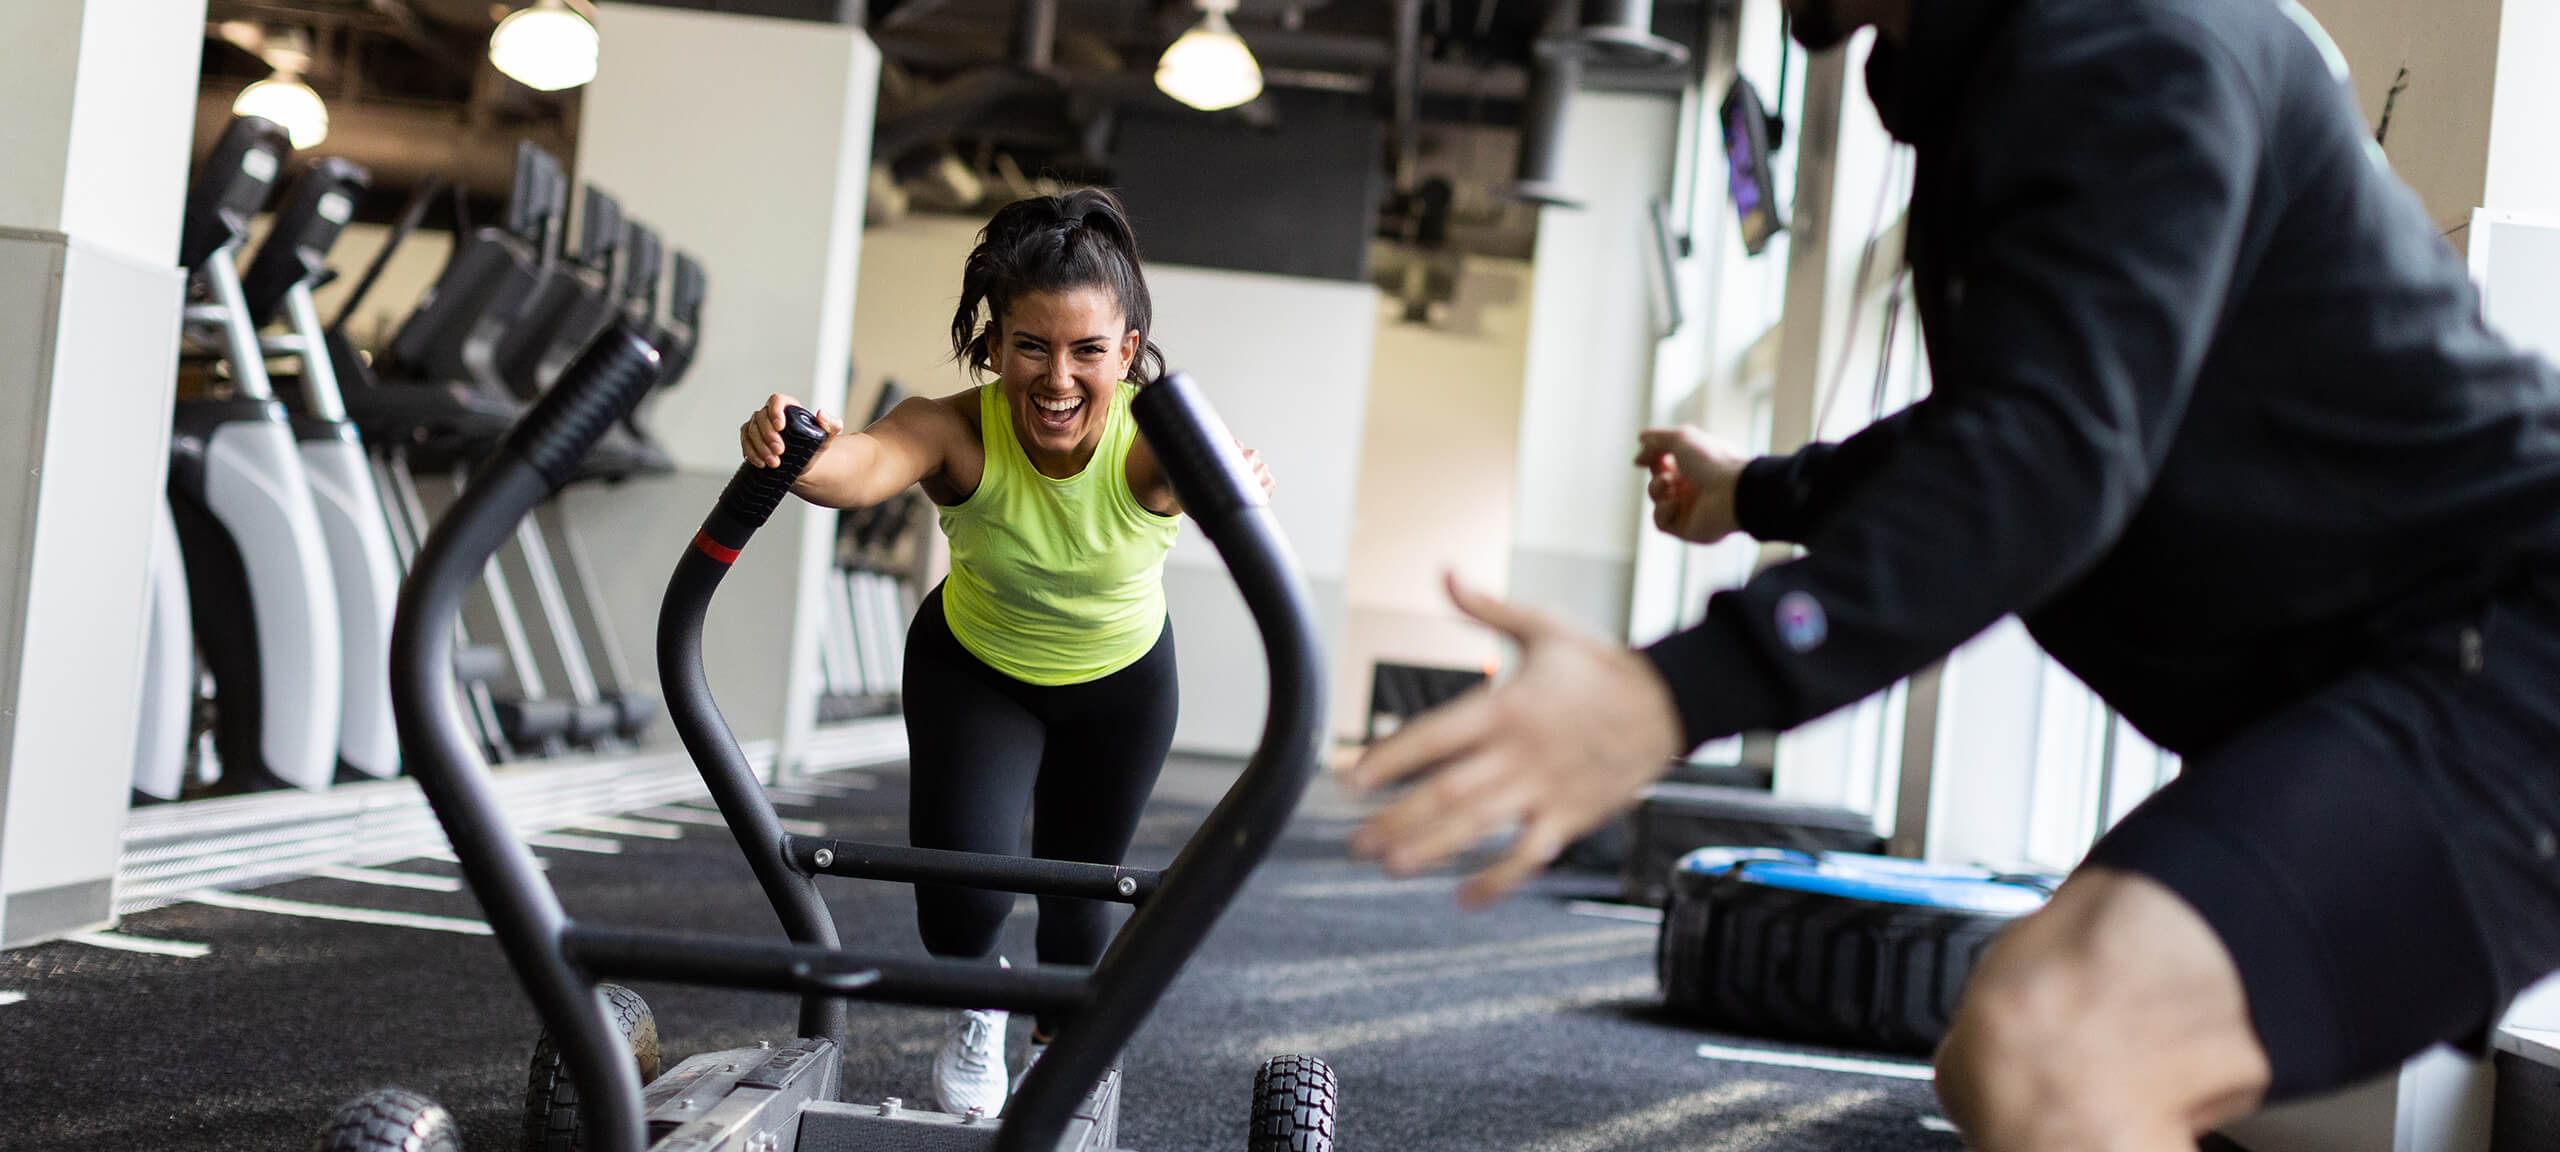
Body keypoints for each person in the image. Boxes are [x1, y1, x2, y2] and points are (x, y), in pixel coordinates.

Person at [1346, 0, 2560, 1148]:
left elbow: (2046, 456)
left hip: (2508, 657)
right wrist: (1754, 493)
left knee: (2059, 1046)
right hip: (2397, 671)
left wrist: (1676, 690)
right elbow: (2011, 418)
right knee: (2010, 1056)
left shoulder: (2130, 43)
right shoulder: (2016, 78)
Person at [741, 188, 1270, 1118]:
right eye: (1031, 345)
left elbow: (1211, 472)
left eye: (1086, 352)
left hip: (1122, 687)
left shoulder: (1152, 442)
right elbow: (858, 467)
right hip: (974, 673)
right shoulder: (954, 427)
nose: (1057, 379)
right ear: (993, 348)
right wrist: (794, 448)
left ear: (1127, 355)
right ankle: (979, 1002)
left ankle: (1056, 1048)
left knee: (1079, 901)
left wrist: (1225, 481)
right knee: (958, 902)